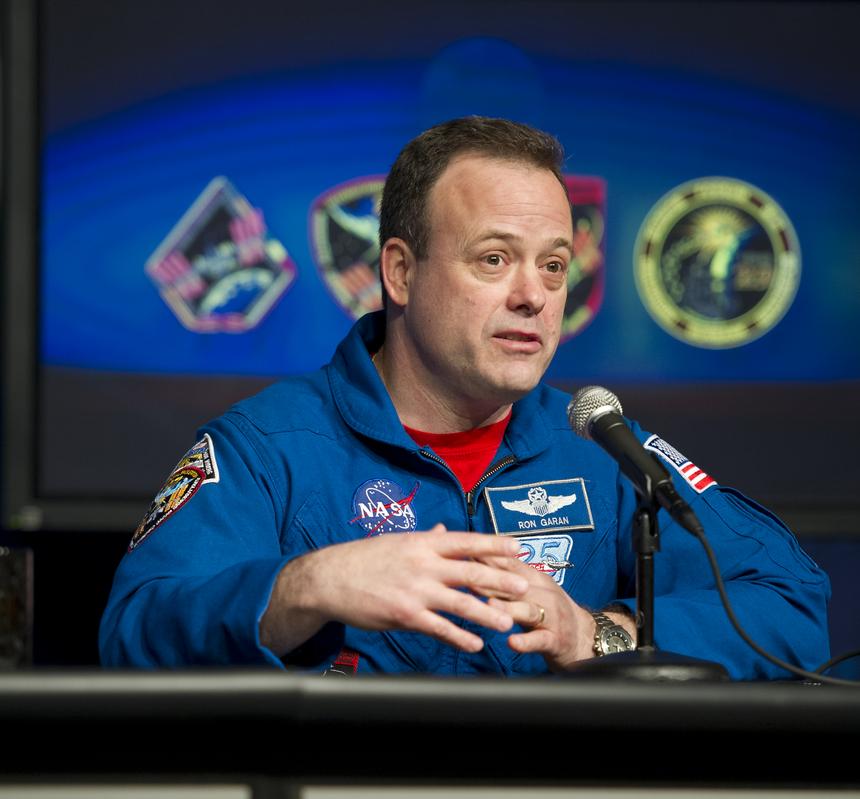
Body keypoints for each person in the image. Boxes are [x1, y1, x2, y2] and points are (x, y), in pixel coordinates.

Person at [99, 116, 829, 678]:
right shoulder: (269, 448)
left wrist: (597, 633)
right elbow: (134, 631)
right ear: (400, 272)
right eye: (494, 259)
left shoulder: (601, 448)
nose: (534, 296)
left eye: (553, 266)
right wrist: (306, 587)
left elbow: (790, 603)